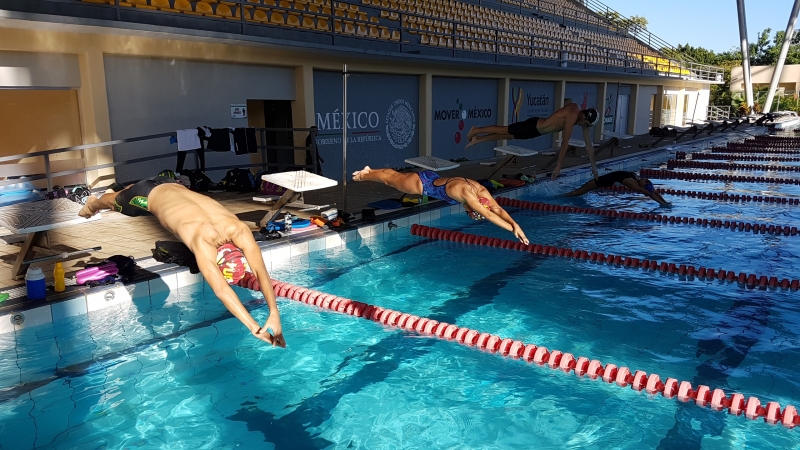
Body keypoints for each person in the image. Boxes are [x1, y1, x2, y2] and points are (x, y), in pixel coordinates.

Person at [78, 176, 286, 347]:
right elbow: (222, 290)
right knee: (114, 204)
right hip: (142, 197)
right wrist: (252, 327)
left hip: (170, 182)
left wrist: (274, 312)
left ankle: (126, 188)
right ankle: (92, 204)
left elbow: (260, 273)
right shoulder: (203, 243)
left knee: (130, 193)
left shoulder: (239, 230)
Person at [352, 166, 529, 244]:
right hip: (423, 184)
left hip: (431, 177)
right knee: (389, 180)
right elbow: (491, 215)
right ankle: (364, 175)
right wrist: (511, 230)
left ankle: (370, 171)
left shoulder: (480, 190)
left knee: (393, 177)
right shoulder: (469, 195)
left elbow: (497, 209)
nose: (472, 212)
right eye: (474, 211)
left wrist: (516, 224)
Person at [465, 103, 600, 180]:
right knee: (504, 131)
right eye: (586, 124)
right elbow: (565, 141)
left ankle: (479, 139)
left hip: (536, 132)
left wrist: (594, 168)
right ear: (584, 115)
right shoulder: (573, 112)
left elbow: (589, 146)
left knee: (507, 136)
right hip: (533, 125)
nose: (585, 127)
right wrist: (558, 165)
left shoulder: (580, 121)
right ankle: (476, 130)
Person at [563, 171, 670, 206]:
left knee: (582, 189)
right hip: (607, 180)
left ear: (643, 186)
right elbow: (653, 191)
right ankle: (567, 195)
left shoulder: (634, 184)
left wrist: (661, 204)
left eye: (646, 181)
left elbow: (650, 193)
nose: (646, 179)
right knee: (584, 190)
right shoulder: (636, 179)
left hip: (604, 180)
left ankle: (563, 196)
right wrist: (665, 202)